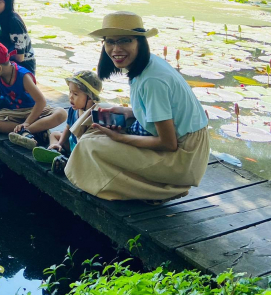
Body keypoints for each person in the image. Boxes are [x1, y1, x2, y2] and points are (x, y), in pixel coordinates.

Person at [64, 11, 210, 204]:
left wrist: (122, 138)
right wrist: (126, 112)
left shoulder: (152, 80)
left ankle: (160, 190)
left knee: (91, 145)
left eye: (124, 41)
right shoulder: (147, 64)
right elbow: (162, 112)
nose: (116, 49)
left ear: (140, 41)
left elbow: (169, 143)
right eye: (110, 41)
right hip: (172, 141)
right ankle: (67, 147)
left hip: (183, 157)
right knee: (97, 112)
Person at [0, 40, 66, 149]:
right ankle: (35, 131)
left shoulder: (23, 76)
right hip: (13, 112)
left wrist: (27, 123)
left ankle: (26, 131)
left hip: (32, 111)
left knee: (61, 113)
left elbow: (41, 101)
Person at [32, 70, 101, 173]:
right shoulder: (73, 110)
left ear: (90, 97)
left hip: (83, 151)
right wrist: (60, 143)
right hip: (72, 145)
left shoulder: (93, 116)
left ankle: (68, 162)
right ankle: (55, 151)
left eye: (76, 94)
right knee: (54, 134)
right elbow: (68, 127)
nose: (70, 97)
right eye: (70, 92)